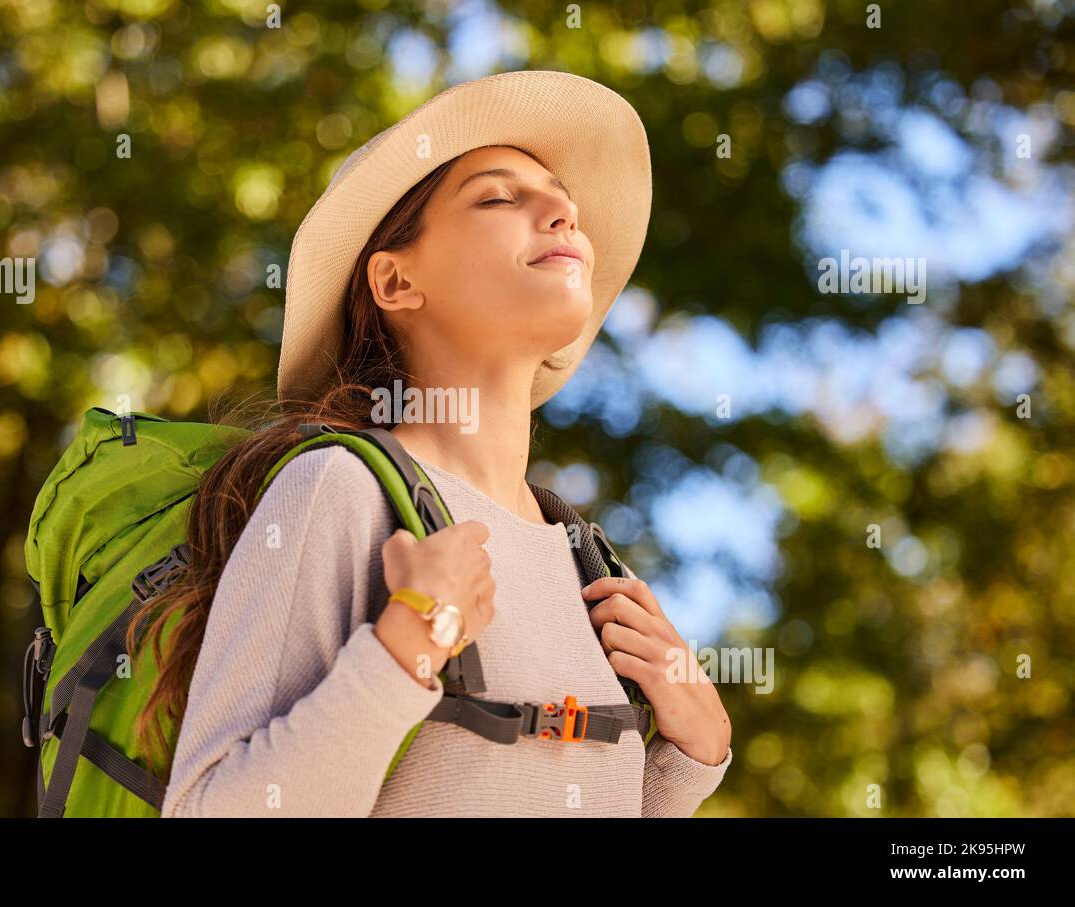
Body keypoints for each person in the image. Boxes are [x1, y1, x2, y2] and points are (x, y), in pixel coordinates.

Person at [139, 70, 732, 817]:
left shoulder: (585, 563)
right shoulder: (339, 492)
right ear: (394, 281)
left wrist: (691, 758)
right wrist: (408, 645)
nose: (563, 212)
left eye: (564, 200)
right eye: (498, 197)